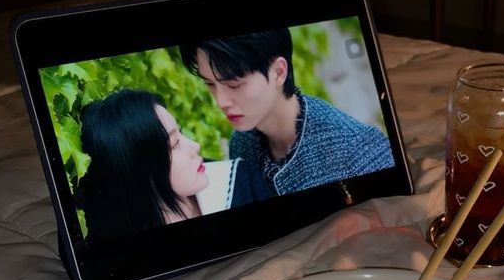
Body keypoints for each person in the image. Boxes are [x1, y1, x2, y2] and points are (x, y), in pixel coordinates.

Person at [179, 29, 395, 195]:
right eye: (210, 84)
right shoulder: (241, 141)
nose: (220, 101)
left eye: (234, 84)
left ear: (279, 72)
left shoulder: (359, 150)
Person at [77, 89, 270, 242]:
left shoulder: (241, 181)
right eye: (174, 144)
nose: (195, 146)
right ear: (140, 171)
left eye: (181, 133)